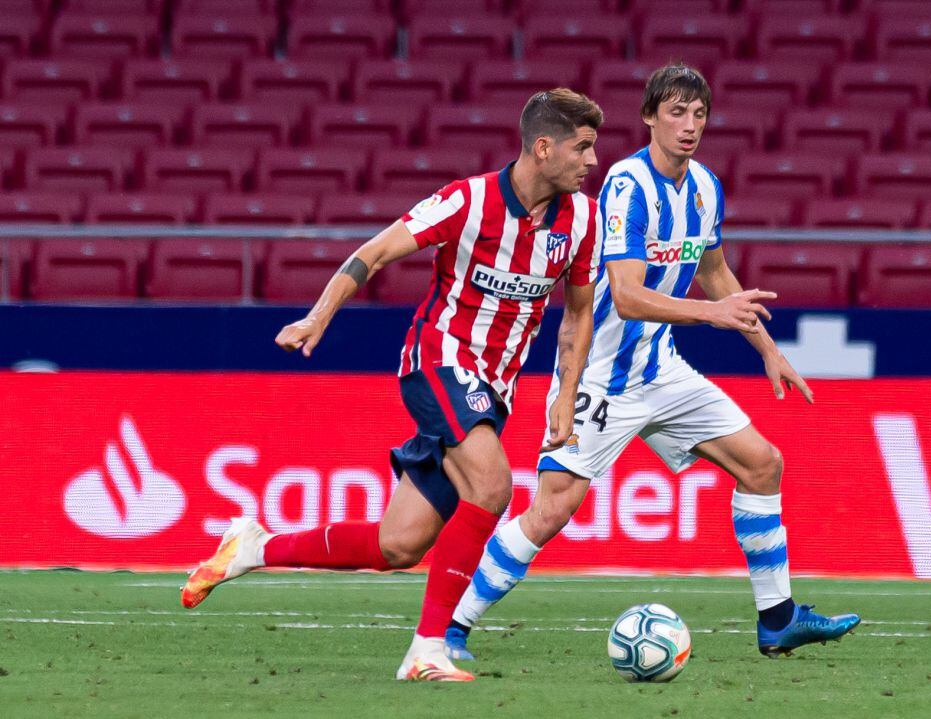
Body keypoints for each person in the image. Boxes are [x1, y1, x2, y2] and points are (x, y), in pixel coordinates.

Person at [180, 88, 613, 682]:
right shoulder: (468, 201)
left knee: (398, 546)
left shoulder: (584, 219)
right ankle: (428, 649)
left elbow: (580, 311)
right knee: (491, 487)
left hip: (495, 391)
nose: (592, 161)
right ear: (543, 147)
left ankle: (253, 547)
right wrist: (317, 316)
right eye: (583, 147)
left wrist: (564, 395)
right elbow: (375, 252)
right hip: (437, 362)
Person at [445, 65, 860, 663]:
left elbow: (714, 271)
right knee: (552, 509)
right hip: (600, 378)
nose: (689, 127)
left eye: (699, 115)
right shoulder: (626, 186)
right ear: (648, 117)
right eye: (676, 113)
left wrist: (769, 349)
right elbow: (630, 295)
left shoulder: (706, 188)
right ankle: (454, 624)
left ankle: (777, 619)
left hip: (661, 371)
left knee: (763, 464)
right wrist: (715, 318)